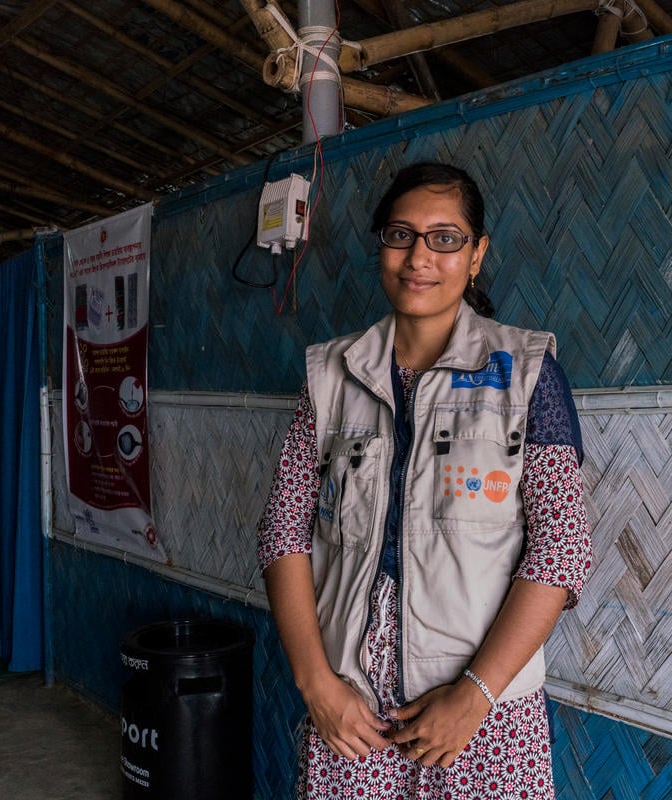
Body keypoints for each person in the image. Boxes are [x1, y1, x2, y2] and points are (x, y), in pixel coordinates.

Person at [257, 161, 592, 799]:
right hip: (349, 714)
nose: (418, 256)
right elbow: (282, 530)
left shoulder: (527, 375)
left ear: (477, 254)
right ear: (380, 246)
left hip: (480, 720)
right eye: (400, 234)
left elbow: (562, 551)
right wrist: (316, 686)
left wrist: (476, 696)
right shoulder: (331, 376)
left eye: (445, 237)